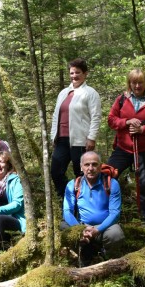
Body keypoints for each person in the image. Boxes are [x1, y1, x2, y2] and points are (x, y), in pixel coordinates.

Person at [106, 69, 145, 225]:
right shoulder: (121, 99)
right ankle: (108, 215)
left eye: (140, 82)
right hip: (123, 148)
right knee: (107, 175)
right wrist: (126, 122)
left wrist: (143, 130)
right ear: (130, 83)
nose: (137, 85)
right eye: (134, 82)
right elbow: (111, 120)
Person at [50, 58, 102, 198]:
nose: (74, 76)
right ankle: (67, 200)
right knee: (56, 171)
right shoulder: (63, 93)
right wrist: (53, 135)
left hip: (80, 141)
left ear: (85, 74)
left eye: (77, 72)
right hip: (61, 140)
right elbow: (56, 115)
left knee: (81, 173)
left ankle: (84, 204)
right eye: (72, 73)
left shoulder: (90, 93)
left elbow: (96, 117)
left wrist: (91, 138)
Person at [62, 151, 124, 267]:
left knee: (116, 234)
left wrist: (98, 230)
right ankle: (85, 253)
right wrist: (81, 229)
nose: (90, 168)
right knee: (64, 228)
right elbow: (67, 212)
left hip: (104, 227)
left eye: (94, 164)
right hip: (82, 225)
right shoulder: (73, 185)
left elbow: (115, 213)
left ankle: (108, 257)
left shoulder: (111, 183)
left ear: (100, 166)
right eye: (86, 165)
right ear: (81, 166)